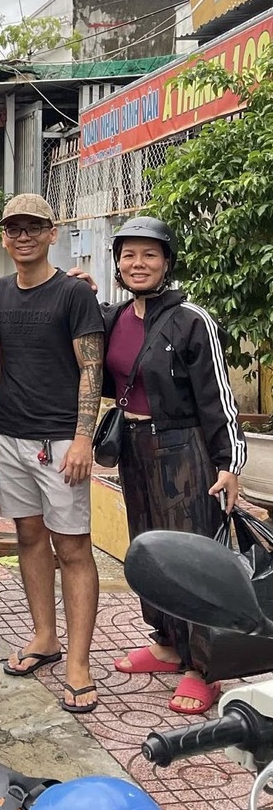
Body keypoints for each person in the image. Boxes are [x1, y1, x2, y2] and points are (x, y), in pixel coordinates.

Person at [104, 216, 246, 715]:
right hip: (134, 449)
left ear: (167, 262)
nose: (137, 264)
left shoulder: (192, 319)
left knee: (191, 556)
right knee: (147, 547)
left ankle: (201, 667)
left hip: (184, 448)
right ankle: (166, 642)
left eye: (149, 255)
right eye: (128, 255)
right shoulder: (116, 318)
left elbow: (219, 400)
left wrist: (229, 464)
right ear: (117, 263)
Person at [0, 194, 104, 714]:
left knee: (73, 547)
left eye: (34, 227)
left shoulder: (75, 294)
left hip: (60, 440)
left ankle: (79, 662)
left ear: (53, 234)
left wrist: (83, 437)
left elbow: (90, 370)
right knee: (28, 536)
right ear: (5, 238)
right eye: (14, 229)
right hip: (10, 436)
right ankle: (43, 638)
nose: (23, 236)